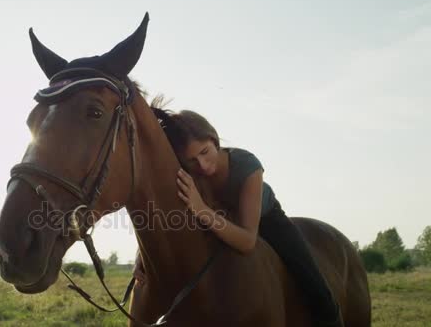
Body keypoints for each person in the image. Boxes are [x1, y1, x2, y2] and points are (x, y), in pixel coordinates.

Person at [132, 99, 343, 327]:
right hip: (215, 218)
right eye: (192, 160)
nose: (202, 165)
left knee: (311, 278)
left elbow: (247, 241)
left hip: (265, 220)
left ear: (214, 139)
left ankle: (331, 319)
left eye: (205, 152)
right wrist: (141, 258)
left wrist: (200, 209)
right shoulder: (187, 172)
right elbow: (165, 217)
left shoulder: (247, 165)